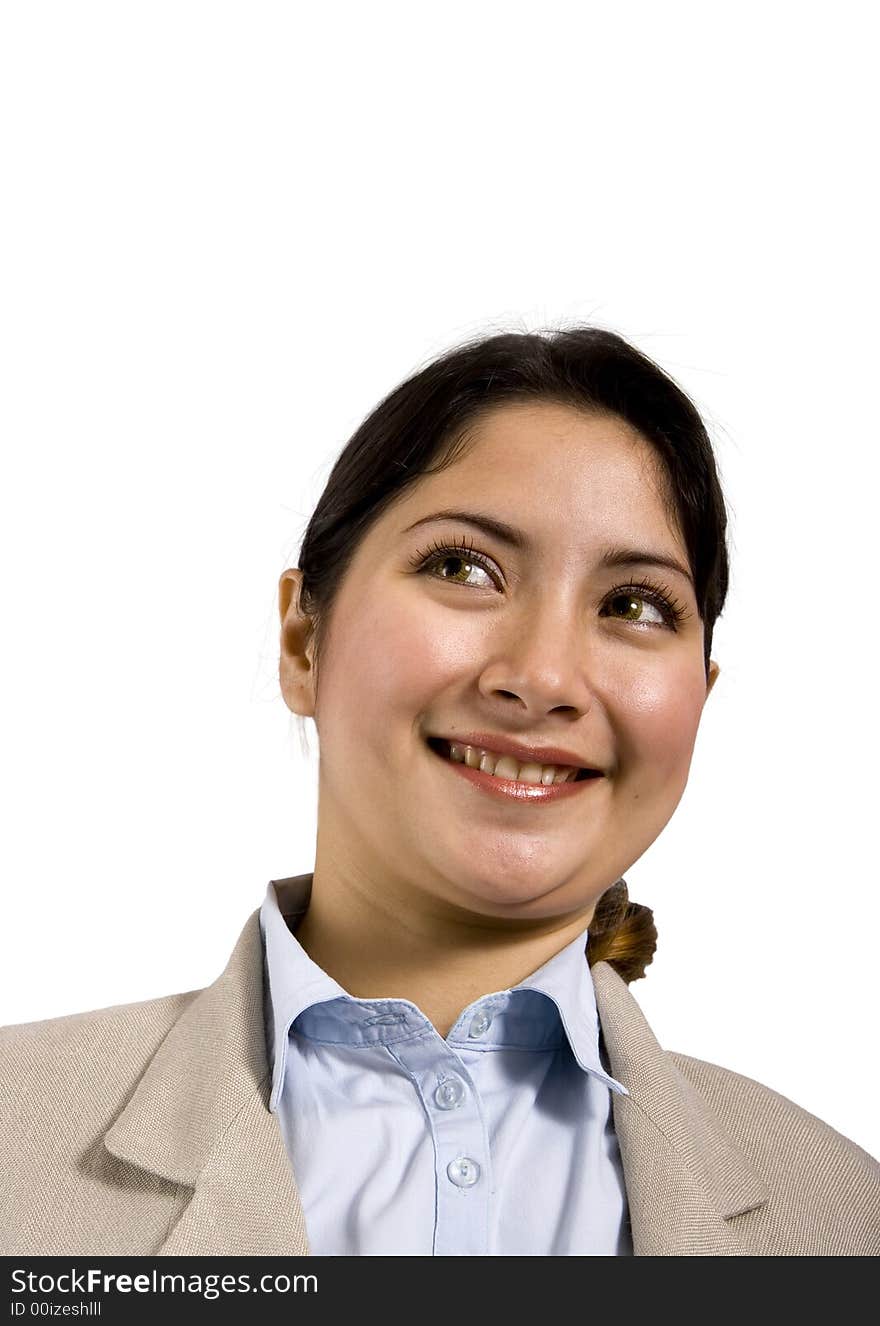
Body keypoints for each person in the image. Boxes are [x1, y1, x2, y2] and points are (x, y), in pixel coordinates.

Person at [1, 326, 877, 1257]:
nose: (543, 678)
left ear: (698, 698)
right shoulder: (20, 1134)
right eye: (464, 568)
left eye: (633, 605)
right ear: (304, 643)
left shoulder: (843, 1218)